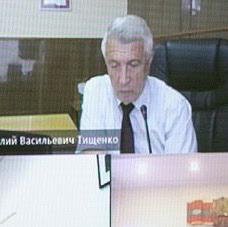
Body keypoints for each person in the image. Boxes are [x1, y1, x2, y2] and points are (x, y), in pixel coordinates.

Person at [78, 15, 197, 154]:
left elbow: (180, 166)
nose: (123, 79)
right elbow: (91, 155)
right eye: (114, 65)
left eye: (133, 65)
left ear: (148, 62)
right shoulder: (96, 90)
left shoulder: (175, 106)